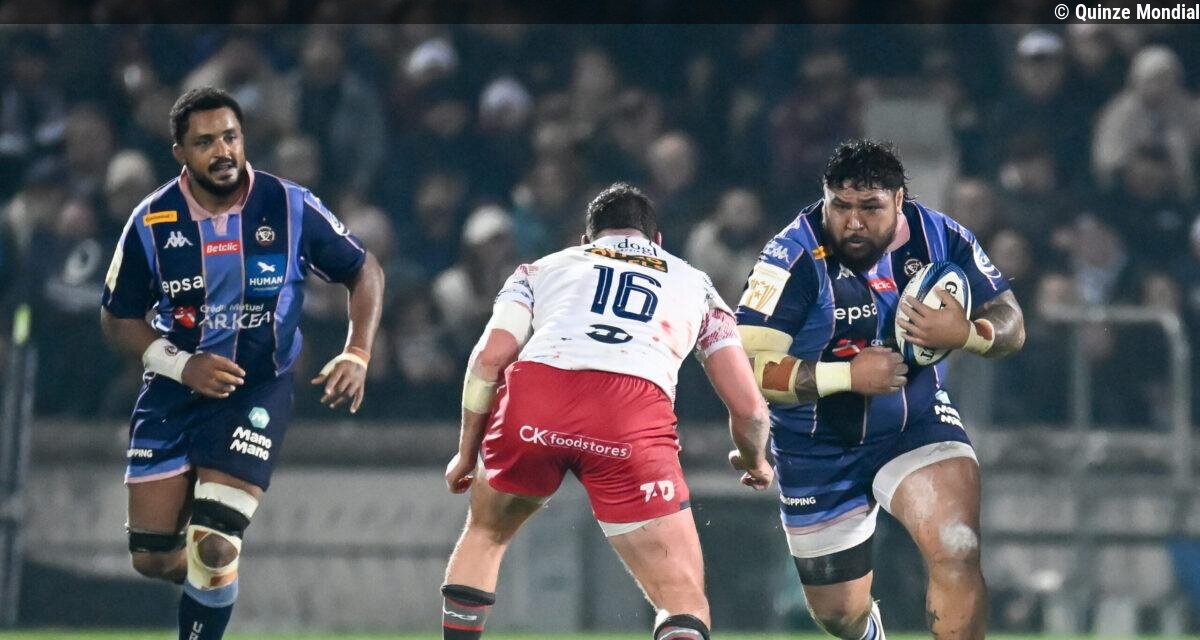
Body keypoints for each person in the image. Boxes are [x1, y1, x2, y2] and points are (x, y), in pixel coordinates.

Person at [99, 87, 385, 640]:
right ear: (180, 152)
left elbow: (364, 269)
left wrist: (357, 351)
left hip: (257, 390)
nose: (223, 150)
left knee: (214, 542)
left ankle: (214, 570)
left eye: (230, 136)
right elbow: (117, 317)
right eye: (205, 142)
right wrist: (183, 366)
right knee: (153, 558)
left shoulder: (290, 205)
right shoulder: (151, 220)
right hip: (172, 392)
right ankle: (214, 579)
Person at [439, 182, 773, 640]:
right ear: (657, 241)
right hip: (631, 413)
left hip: (537, 400)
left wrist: (466, 453)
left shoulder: (540, 269)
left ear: (587, 239)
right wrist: (755, 460)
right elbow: (750, 408)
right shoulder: (695, 284)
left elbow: (488, 360)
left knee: (486, 534)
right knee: (682, 597)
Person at [735, 140, 1025, 640]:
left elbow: (1012, 323)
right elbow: (747, 370)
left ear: (899, 200)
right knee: (839, 614)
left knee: (957, 548)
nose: (853, 222)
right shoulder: (791, 256)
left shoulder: (940, 235)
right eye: (840, 206)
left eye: (870, 208)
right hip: (816, 445)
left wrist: (968, 333)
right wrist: (847, 376)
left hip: (915, 423)